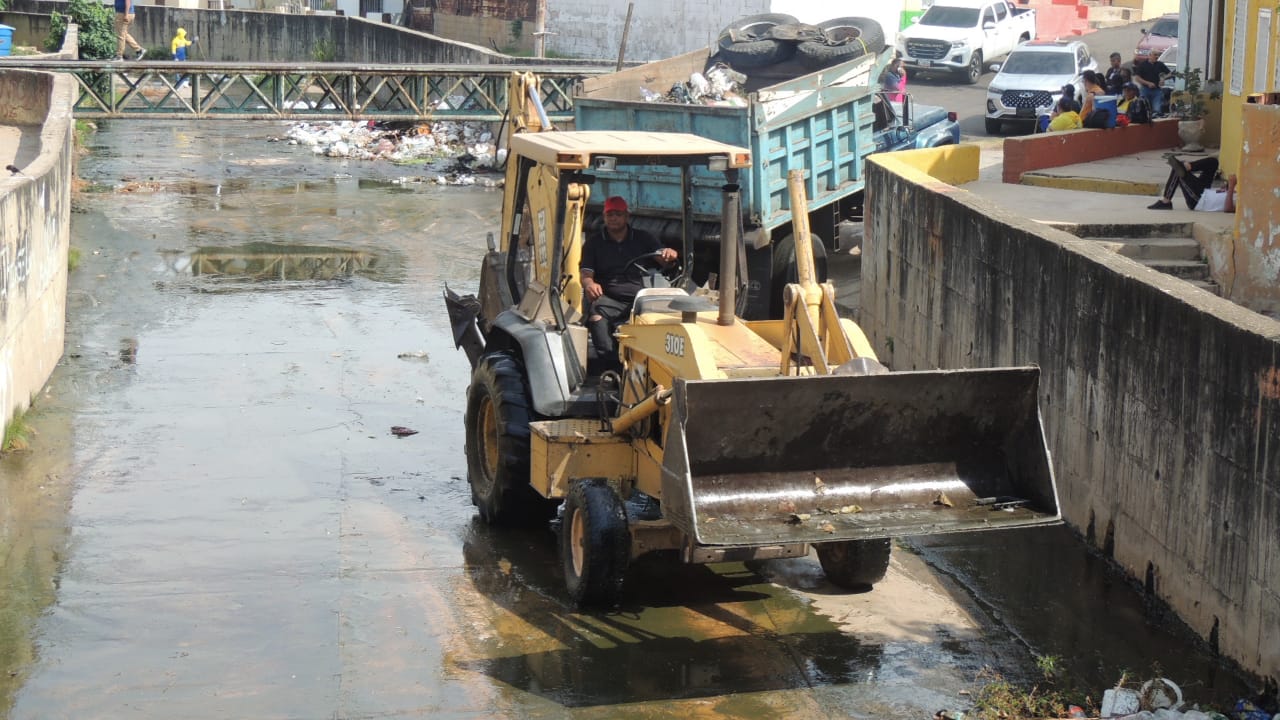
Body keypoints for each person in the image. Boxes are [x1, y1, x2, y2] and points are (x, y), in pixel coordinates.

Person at [580, 196, 677, 364]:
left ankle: (654, 364)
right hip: (609, 298)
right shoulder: (593, 243)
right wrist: (590, 284)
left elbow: (663, 258)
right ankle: (611, 368)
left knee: (663, 319)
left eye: (618, 214)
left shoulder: (643, 238)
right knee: (596, 316)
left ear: (627, 216)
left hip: (640, 298)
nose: (613, 218)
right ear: (604, 217)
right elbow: (586, 275)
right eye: (610, 214)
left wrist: (669, 254)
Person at [1148, 155, 1236, 212]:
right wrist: (1226, 189)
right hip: (1206, 191)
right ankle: (1188, 166)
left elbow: (1229, 209)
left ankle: (1166, 201)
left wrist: (1231, 187)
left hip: (1200, 200)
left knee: (1178, 170)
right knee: (1213, 162)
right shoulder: (1244, 195)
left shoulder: (1245, 206)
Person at [1134, 49, 1170, 117]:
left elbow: (1170, 74)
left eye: (1158, 55)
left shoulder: (1160, 64)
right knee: (1142, 108)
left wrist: (1163, 79)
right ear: (1149, 55)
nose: (1157, 57)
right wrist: (1148, 83)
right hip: (1145, 89)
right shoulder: (1143, 64)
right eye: (1155, 55)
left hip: (1157, 90)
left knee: (1157, 110)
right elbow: (1137, 78)